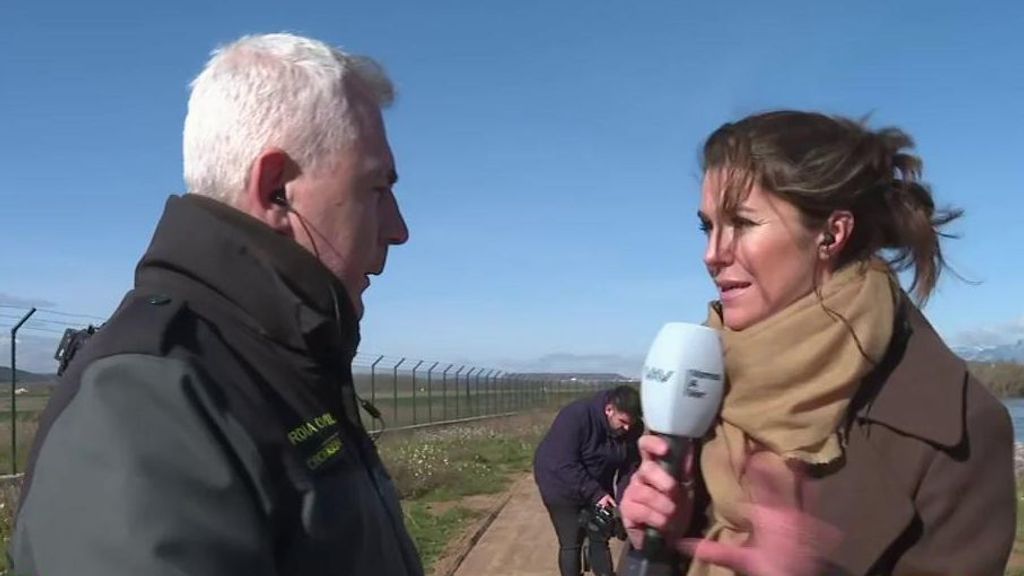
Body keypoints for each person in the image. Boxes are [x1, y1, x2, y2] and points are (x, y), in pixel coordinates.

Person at [12, 33, 422, 576]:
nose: (398, 230)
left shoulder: (280, 360)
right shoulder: (146, 403)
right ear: (278, 190)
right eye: (377, 188)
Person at [620, 110, 1016, 576]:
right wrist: (659, 546)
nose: (712, 254)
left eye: (742, 223)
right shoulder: (698, 381)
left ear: (831, 233)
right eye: (708, 227)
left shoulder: (959, 428)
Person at [534, 385, 644, 576]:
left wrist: (624, 504)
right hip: (558, 482)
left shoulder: (632, 429)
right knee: (571, 540)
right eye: (623, 421)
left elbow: (629, 469)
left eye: (631, 424)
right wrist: (596, 493)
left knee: (600, 535)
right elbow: (563, 463)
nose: (627, 428)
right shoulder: (576, 416)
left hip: (598, 481)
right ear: (609, 410)